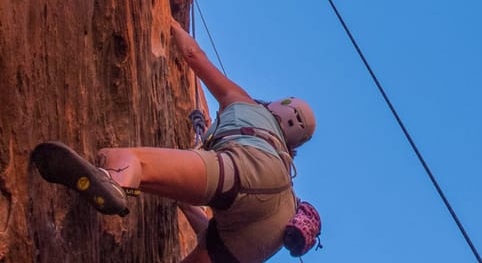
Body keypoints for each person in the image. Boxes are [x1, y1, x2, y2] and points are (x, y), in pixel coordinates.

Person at [32, 17, 316, 263]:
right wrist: (180, 198)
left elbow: (194, 56)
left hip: (244, 169)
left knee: (127, 161)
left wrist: (172, 24)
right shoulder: (285, 168)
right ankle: (124, 188)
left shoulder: (247, 106)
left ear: (281, 105)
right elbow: (216, 224)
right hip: (269, 233)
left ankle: (120, 183)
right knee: (209, 246)